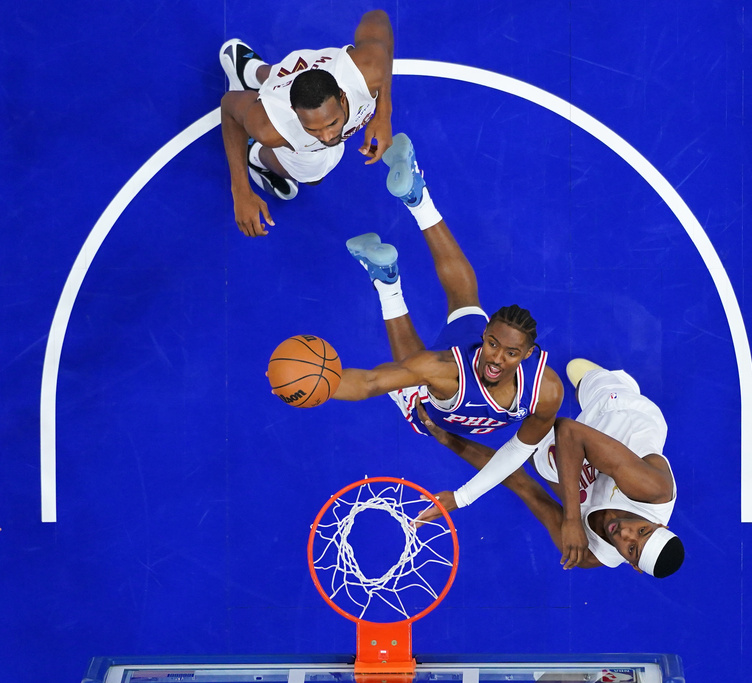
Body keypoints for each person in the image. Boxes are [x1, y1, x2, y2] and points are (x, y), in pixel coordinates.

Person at [329, 133, 565, 515]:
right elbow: (371, 382)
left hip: (462, 385)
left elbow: (518, 451)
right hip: (440, 391)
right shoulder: (444, 371)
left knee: (465, 301)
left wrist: (462, 496)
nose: (497, 359)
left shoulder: (547, 390)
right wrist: (318, 386)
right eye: (493, 345)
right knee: (413, 372)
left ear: (529, 355)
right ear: (484, 337)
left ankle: (417, 204)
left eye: (510, 353)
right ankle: (387, 282)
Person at [414, 359, 685, 579]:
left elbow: (523, 486)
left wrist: (447, 438)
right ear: (658, 523)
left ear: (632, 565)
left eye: (632, 549)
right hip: (619, 413)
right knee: (580, 376)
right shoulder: (653, 490)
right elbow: (568, 430)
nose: (626, 534)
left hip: (580, 457)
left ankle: (538, 424)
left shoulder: (591, 554)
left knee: (541, 456)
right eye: (642, 531)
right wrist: (571, 521)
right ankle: (605, 380)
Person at [219, 9, 394, 237]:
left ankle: (251, 71)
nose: (326, 136)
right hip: (284, 95)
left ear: (342, 97)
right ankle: (256, 156)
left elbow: (378, 18)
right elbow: (229, 106)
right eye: (313, 128)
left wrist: (383, 115)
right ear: (295, 112)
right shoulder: (273, 127)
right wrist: (240, 191)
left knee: (279, 74)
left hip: (301, 69)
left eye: (332, 123)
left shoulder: (367, 71)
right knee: (313, 177)